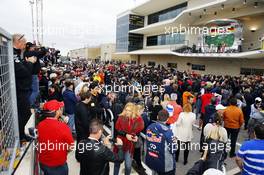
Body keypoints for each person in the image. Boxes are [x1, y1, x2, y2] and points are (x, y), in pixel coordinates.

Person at [37, 100, 74, 175]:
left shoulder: (40, 125)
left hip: (44, 163)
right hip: (58, 165)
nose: (61, 110)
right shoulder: (63, 127)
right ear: (56, 112)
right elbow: (71, 146)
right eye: (60, 108)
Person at [13, 34, 37, 142]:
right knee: (24, 114)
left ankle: (21, 134)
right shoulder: (12, 54)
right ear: (18, 42)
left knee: (24, 114)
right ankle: (18, 136)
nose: (24, 46)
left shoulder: (18, 54)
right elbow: (24, 72)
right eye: (23, 43)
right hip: (17, 91)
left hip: (21, 90)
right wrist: (29, 62)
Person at [113, 103, 144, 175]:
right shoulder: (121, 117)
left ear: (133, 111)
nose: (127, 112)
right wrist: (126, 135)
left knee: (128, 166)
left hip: (130, 145)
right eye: (126, 110)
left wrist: (136, 136)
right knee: (117, 163)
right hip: (120, 143)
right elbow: (117, 130)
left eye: (129, 110)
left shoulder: (137, 119)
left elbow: (137, 131)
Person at [145, 109, 176, 175]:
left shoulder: (149, 127)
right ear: (167, 119)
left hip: (152, 159)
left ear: (157, 117)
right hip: (164, 164)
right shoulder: (168, 132)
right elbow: (173, 150)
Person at [74, 90, 92, 160]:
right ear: (87, 98)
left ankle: (78, 157)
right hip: (83, 130)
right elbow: (85, 122)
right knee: (82, 144)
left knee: (80, 143)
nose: (90, 99)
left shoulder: (79, 104)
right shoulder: (83, 108)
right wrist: (89, 131)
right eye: (90, 98)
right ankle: (81, 157)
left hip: (79, 128)